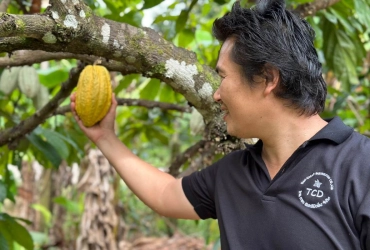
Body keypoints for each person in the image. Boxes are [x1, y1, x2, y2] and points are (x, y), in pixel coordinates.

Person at [71, 0, 370, 249]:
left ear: (267, 79)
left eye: (223, 77)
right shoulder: (233, 173)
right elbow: (165, 195)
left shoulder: (360, 164)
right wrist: (104, 137)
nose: (216, 93)